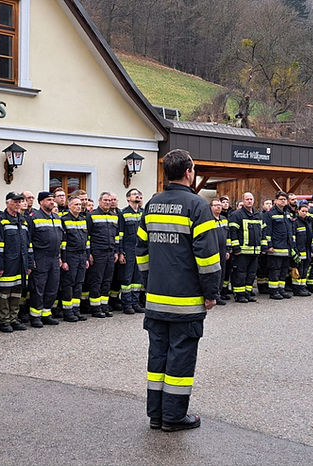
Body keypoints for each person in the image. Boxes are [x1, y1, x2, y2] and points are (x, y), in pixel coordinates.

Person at [135, 149, 220, 432]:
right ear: (188, 172)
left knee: (157, 358)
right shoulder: (197, 206)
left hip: (156, 301)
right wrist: (211, 293)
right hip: (186, 302)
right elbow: (207, 256)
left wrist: (149, 285)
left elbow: (141, 251)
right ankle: (173, 418)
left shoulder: (152, 204)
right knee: (180, 360)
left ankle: (156, 415)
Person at [0, 192, 32, 333]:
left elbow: (28, 245)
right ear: (7, 203)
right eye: (15, 202)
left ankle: (14, 319)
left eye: (20, 201)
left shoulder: (23, 220)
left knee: (16, 292)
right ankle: (4, 321)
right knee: (4, 293)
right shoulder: (0, 220)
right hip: (7, 264)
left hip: (21, 263)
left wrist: (29, 264)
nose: (18, 204)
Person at [27, 191, 63, 327]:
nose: (52, 202)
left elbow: (60, 238)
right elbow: (28, 240)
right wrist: (32, 259)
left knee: (52, 287)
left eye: (52, 199)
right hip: (40, 256)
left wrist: (59, 256)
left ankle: (46, 313)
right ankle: (35, 316)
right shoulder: (34, 217)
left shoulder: (56, 217)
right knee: (38, 288)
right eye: (48, 200)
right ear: (41, 202)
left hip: (54, 257)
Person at [85, 192, 121, 318]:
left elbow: (116, 236)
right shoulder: (91, 216)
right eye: (105, 200)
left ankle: (104, 306)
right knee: (97, 280)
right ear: (99, 201)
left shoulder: (114, 216)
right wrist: (89, 254)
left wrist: (116, 251)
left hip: (110, 252)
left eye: (110, 200)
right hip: (97, 252)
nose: (107, 202)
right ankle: (95, 307)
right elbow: (87, 236)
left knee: (107, 281)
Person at [228, 192, 264, 303]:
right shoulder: (236, 215)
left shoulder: (258, 215)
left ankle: (247, 293)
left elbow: (262, 232)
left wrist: (263, 247)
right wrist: (236, 248)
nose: (249, 201)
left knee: (251, 274)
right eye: (247, 199)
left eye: (251, 199)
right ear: (243, 201)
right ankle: (239, 295)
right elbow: (232, 233)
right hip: (242, 252)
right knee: (240, 274)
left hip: (255, 251)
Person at [59, 196, 90, 323]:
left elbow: (87, 240)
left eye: (80, 204)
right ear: (69, 206)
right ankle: (67, 311)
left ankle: (76, 310)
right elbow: (63, 243)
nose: (79, 206)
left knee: (79, 284)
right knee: (68, 284)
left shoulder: (83, 220)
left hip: (82, 255)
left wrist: (87, 257)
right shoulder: (64, 220)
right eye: (76, 204)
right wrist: (64, 260)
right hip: (70, 256)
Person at [263, 191, 294, 300]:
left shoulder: (287, 213)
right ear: (275, 201)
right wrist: (269, 245)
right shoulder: (270, 214)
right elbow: (267, 231)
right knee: (275, 270)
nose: (283, 201)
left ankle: (281, 289)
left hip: (286, 247)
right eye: (281, 199)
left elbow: (291, 230)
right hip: (275, 248)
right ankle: (273, 291)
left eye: (285, 199)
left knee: (284, 270)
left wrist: (292, 245)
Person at [119, 189, 146, 313]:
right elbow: (119, 235)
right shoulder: (123, 213)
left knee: (138, 278)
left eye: (139, 194)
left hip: (140, 249)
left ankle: (135, 303)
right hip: (128, 249)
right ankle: (127, 304)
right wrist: (121, 252)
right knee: (127, 279)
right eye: (135, 194)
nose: (138, 196)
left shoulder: (143, 213)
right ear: (128, 198)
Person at [210, 198, 230, 305]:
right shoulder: (208, 220)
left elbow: (228, 236)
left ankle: (218, 295)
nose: (218, 207)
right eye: (216, 205)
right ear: (211, 207)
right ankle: (212, 295)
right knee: (214, 274)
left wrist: (227, 250)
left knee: (221, 273)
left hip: (223, 251)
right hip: (212, 251)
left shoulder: (224, 219)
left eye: (219, 205)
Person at [291, 202, 312, 296]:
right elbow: (293, 238)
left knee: (305, 270)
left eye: (306, 211)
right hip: (299, 250)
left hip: (307, 250)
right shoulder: (295, 222)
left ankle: (302, 287)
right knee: (298, 270)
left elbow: (310, 238)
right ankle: (296, 289)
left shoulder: (308, 222)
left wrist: (311, 250)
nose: (304, 213)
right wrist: (295, 251)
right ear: (298, 211)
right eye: (303, 211)